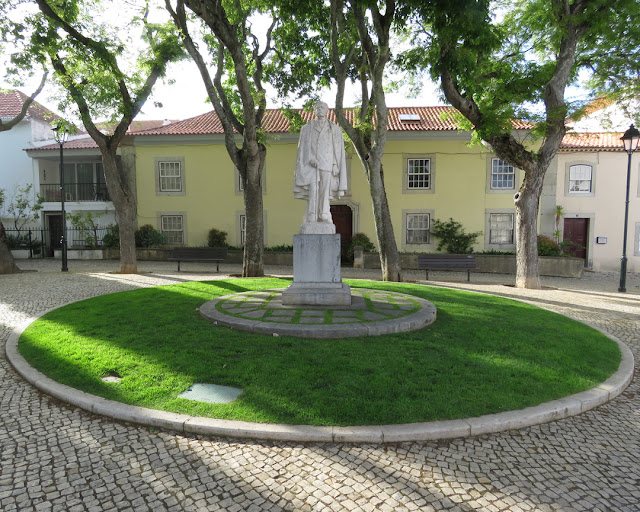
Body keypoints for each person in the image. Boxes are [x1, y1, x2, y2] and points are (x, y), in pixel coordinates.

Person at [293, 101, 348, 224]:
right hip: (311, 165)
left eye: (322, 107)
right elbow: (303, 147)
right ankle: (311, 214)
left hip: (327, 163)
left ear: (327, 110)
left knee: (324, 189)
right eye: (317, 107)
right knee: (313, 189)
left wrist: (335, 164)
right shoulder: (307, 128)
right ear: (314, 110)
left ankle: (323, 213)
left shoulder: (334, 128)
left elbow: (336, 149)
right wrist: (310, 158)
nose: (320, 109)